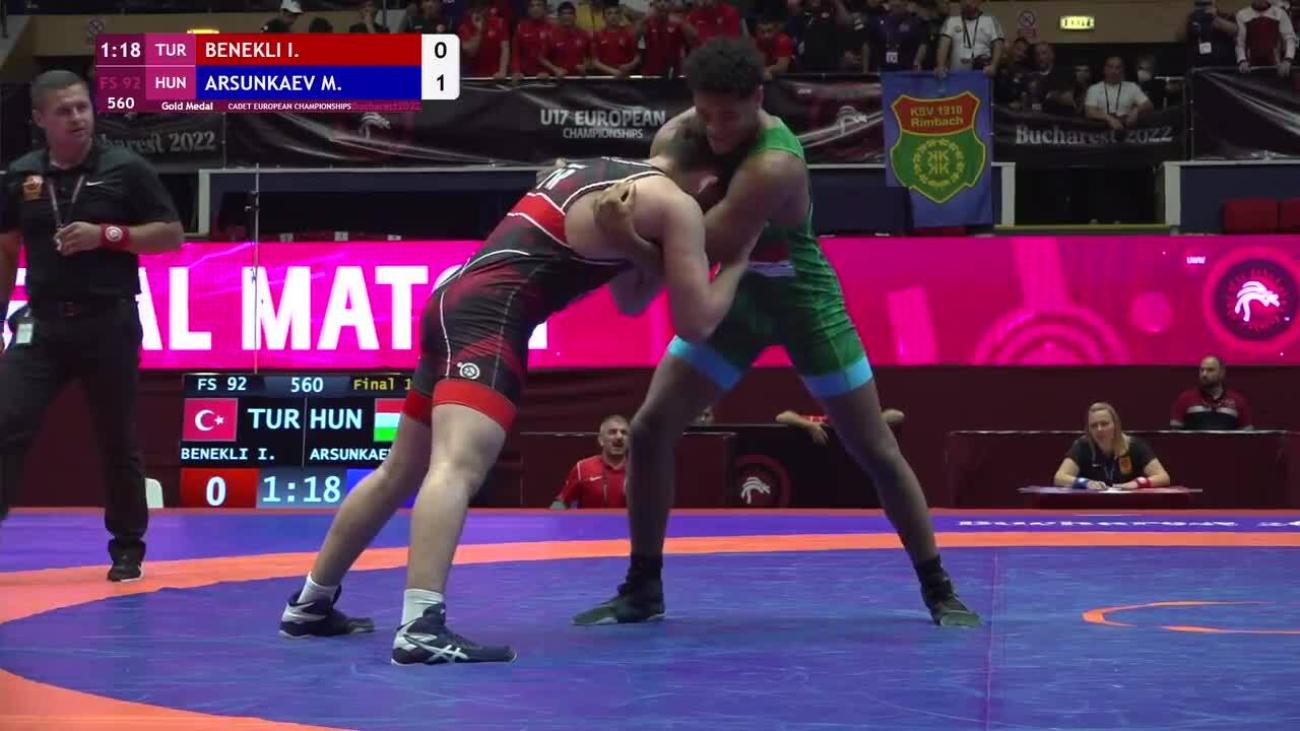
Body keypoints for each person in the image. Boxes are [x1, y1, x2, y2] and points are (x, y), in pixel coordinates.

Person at [277, 131, 757, 665]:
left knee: (399, 472)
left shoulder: (604, 172)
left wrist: (630, 240)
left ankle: (311, 603)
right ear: (709, 183)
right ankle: (420, 626)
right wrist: (737, 262)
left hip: (452, 302)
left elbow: (629, 297)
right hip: (491, 318)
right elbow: (695, 323)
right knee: (456, 467)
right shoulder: (677, 204)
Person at [572, 37, 980, 629]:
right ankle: (643, 586)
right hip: (737, 297)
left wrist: (627, 238)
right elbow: (664, 225)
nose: (716, 130)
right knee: (649, 429)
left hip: (801, 297)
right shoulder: (678, 135)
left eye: (730, 116)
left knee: (873, 446)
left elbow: (702, 248)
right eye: (706, 114)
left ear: (759, 99)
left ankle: (939, 588)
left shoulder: (775, 163)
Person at [0, 70, 184, 581]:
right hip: (42, 324)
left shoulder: (125, 169)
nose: (78, 118)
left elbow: (171, 235)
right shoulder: (20, 175)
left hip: (108, 320)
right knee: (5, 423)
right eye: (64, 111)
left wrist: (108, 235)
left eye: (83, 107)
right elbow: (7, 250)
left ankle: (127, 548)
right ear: (39, 119)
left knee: (116, 437)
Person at [1053, 402, 1172, 490]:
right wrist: (1085, 483)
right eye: (1094, 425)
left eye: (1104, 424)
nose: (1099, 429)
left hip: (1129, 505)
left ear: (1116, 425)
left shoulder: (1135, 445)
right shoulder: (1082, 446)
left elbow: (1163, 477)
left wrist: (1137, 483)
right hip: (1092, 506)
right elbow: (1059, 477)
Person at [550, 415, 629, 509]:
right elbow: (561, 502)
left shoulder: (640, 471)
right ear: (601, 440)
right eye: (612, 432)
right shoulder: (582, 468)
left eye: (624, 433)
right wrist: (551, 515)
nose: (619, 436)